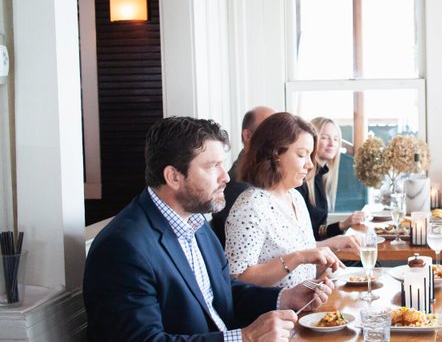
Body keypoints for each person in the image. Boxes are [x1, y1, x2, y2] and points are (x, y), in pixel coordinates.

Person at [84, 116, 332, 342]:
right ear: (173, 177)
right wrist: (244, 338)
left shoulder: (194, 223)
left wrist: (284, 298)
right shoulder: (122, 247)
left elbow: (222, 290)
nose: (225, 177)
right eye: (213, 166)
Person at [225, 112, 359, 288]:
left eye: (310, 155)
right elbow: (238, 279)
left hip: (306, 307)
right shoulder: (251, 206)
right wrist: (299, 258)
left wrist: (323, 265)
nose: (310, 165)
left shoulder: (294, 197)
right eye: (302, 155)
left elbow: (301, 251)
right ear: (274, 154)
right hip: (276, 313)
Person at [211, 105, 276, 245]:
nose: (278, 137)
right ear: (247, 136)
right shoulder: (239, 185)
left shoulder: (264, 178)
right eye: (270, 129)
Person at [296, 117, 366, 241]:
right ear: (311, 140)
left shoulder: (321, 177)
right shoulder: (301, 180)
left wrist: (344, 224)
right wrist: (342, 225)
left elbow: (318, 231)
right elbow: (309, 235)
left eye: (336, 139)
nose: (332, 144)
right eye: (324, 137)